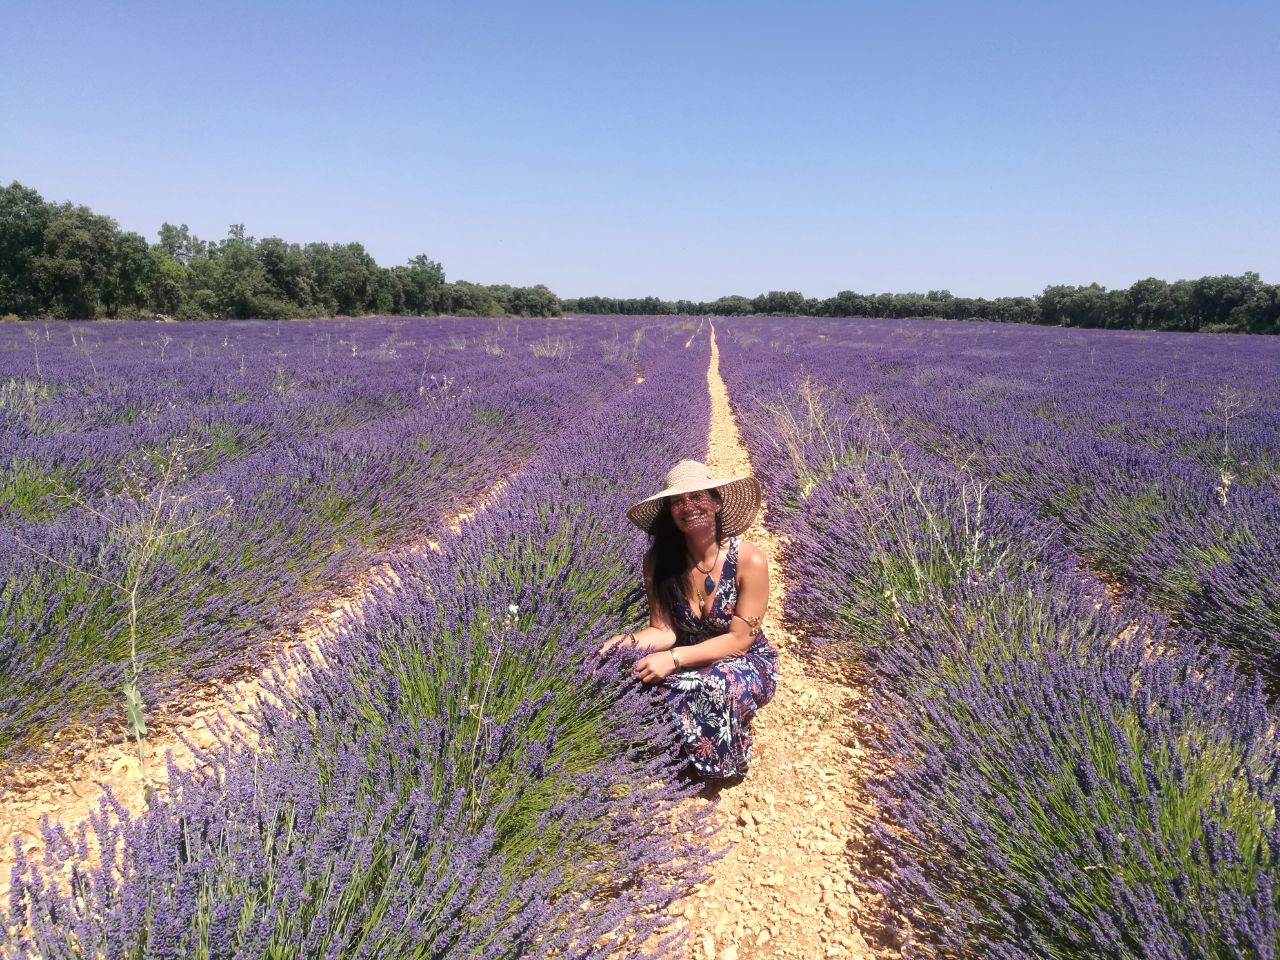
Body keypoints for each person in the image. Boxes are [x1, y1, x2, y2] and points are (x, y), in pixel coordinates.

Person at [602, 459, 779, 783]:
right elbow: (663, 630)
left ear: (716, 503)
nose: (688, 507)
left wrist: (673, 659)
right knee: (634, 678)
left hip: (743, 659)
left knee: (713, 685)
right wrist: (624, 644)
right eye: (677, 501)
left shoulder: (749, 559)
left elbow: (740, 640)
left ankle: (721, 763)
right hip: (687, 658)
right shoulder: (659, 561)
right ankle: (664, 752)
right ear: (670, 513)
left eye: (697, 497)